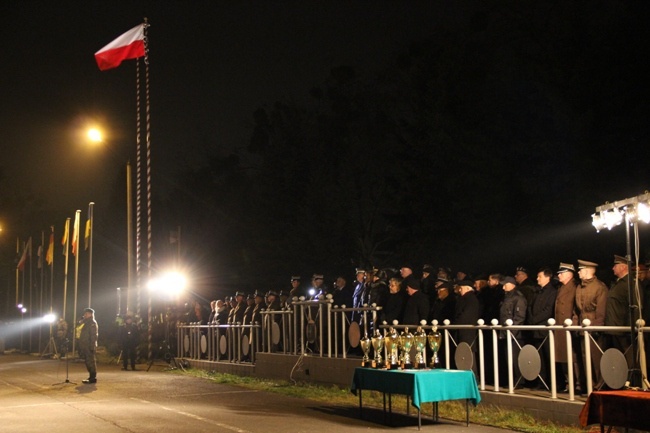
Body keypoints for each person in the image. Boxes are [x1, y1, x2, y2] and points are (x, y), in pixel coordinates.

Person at [573, 259, 607, 392]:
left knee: (596, 359)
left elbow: (601, 311)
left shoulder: (599, 287)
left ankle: (600, 387)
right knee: (584, 358)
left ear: (587, 271)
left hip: (594, 330)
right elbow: (577, 310)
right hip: (582, 329)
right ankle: (590, 386)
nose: (578, 272)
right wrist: (575, 325)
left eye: (580, 270)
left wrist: (596, 328)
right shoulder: (579, 287)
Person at [527, 267, 557, 389]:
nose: (537, 278)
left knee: (549, 357)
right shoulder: (537, 291)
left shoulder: (552, 292)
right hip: (536, 329)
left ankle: (553, 382)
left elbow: (548, 310)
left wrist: (534, 320)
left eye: (540, 276)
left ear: (547, 277)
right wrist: (531, 319)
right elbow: (531, 307)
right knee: (538, 358)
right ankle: (541, 381)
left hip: (545, 329)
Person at [554, 262, 580, 393]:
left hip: (568, 327)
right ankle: (568, 383)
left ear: (569, 274)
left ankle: (576, 384)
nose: (559, 275)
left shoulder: (574, 287)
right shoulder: (561, 288)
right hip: (560, 327)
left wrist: (573, 324)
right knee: (562, 357)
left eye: (561, 273)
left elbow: (575, 307)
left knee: (571, 357)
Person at [499, 276, 527, 385]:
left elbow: (519, 317)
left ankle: (519, 381)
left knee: (516, 359)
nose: (503, 287)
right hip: (506, 333)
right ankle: (511, 380)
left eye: (505, 284)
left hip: (515, 334)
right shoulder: (506, 298)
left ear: (512, 285)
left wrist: (512, 332)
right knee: (508, 358)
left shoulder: (518, 298)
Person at [78, 307, 99, 384]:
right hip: (85, 345)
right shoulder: (86, 322)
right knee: (87, 361)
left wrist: (92, 346)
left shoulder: (92, 323)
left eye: (86, 313)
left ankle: (93, 377)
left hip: (89, 345)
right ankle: (91, 377)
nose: (85, 315)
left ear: (90, 314)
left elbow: (94, 336)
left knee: (91, 361)